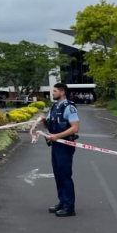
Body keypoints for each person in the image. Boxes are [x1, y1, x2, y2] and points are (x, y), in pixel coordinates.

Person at [41, 82, 79, 217]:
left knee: (65, 175)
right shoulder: (54, 107)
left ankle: (70, 207)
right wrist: (44, 122)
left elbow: (74, 127)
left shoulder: (69, 107)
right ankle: (62, 201)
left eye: (55, 91)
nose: (53, 93)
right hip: (55, 144)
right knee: (58, 174)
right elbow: (52, 125)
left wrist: (57, 136)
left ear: (62, 92)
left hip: (65, 144)